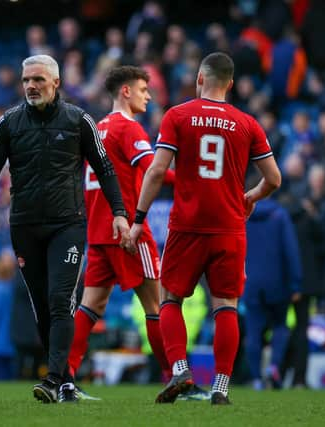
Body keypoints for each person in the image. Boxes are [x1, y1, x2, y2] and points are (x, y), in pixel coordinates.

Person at [0, 54, 130, 403]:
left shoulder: (79, 120)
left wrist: (119, 212)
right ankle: (66, 382)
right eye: (26, 80)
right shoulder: (8, 122)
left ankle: (54, 379)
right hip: (24, 225)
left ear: (56, 83)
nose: (31, 86)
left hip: (66, 224)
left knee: (59, 301)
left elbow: (105, 168)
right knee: (42, 307)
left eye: (38, 80)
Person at [127, 52, 282, 405]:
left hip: (187, 226)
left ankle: (181, 369)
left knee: (170, 298)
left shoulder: (177, 115)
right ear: (229, 84)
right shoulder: (248, 123)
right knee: (225, 304)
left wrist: (138, 219)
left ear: (199, 78)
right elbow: (274, 178)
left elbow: (155, 171)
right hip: (229, 227)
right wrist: (250, 197)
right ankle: (221, 389)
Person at [67, 65, 208, 401]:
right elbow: (153, 170)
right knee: (159, 305)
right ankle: (180, 378)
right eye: (144, 89)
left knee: (90, 307)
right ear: (126, 91)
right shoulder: (128, 128)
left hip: (99, 231)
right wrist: (193, 181)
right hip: (128, 230)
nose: (149, 95)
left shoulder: (97, 127)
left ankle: (62, 377)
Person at [243, 195, 302, 390]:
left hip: (250, 282)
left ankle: (257, 378)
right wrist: (295, 283)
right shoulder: (279, 215)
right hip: (277, 282)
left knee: (253, 331)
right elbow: (290, 249)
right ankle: (274, 366)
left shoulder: (244, 214)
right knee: (280, 326)